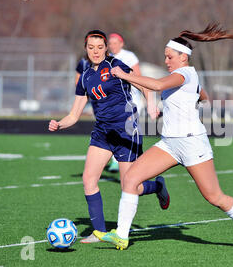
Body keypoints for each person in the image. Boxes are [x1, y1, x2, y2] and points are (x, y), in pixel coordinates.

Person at [93, 23, 233, 251]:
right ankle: (122, 236)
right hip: (170, 143)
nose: (166, 61)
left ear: (183, 57)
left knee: (214, 197)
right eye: (165, 57)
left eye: (169, 57)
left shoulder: (183, 73)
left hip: (192, 143)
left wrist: (124, 75)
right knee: (131, 179)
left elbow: (157, 85)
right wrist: (175, 108)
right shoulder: (185, 76)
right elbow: (202, 95)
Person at [49, 30, 169, 243]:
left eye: (100, 47)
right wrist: (59, 123)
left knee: (130, 186)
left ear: (106, 48)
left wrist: (151, 104)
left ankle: (158, 186)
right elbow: (74, 114)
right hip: (102, 132)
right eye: (91, 47)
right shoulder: (85, 76)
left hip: (126, 131)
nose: (95, 51)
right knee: (89, 179)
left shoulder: (116, 65)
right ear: (85, 49)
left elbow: (142, 84)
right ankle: (100, 232)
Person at [108, 33, 145, 116]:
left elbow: (138, 75)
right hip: (114, 97)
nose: (112, 46)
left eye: (115, 43)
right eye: (110, 44)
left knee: (130, 124)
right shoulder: (108, 57)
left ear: (121, 44)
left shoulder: (129, 56)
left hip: (130, 94)